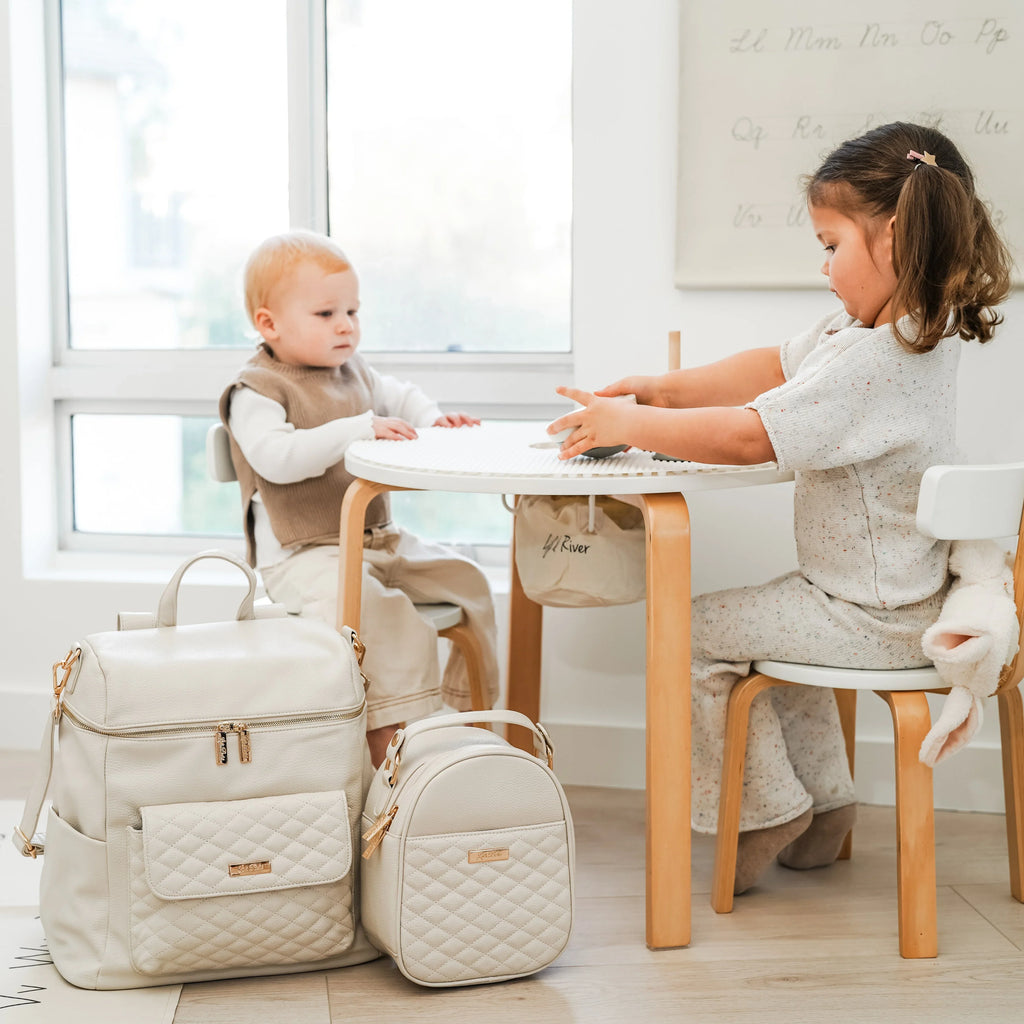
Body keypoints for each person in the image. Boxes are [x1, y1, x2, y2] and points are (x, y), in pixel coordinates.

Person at [549, 122, 1012, 893]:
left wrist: (631, 424)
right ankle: (824, 805)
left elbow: (747, 435)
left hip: (874, 617)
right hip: (874, 600)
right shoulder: (891, 336)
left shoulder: (876, 362)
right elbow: (772, 366)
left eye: (831, 245)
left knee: (693, 630)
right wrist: (661, 391)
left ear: (895, 239)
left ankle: (765, 810)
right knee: (769, 623)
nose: (824, 266)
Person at [219, 230, 499, 766]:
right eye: (326, 313)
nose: (346, 324)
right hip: (306, 555)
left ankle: (466, 713)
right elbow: (277, 458)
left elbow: (401, 396)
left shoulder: (354, 371)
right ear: (269, 324)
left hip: (377, 541)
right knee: (382, 612)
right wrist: (358, 429)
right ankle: (387, 733)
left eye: (352, 311)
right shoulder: (256, 391)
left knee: (469, 583)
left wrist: (433, 420)